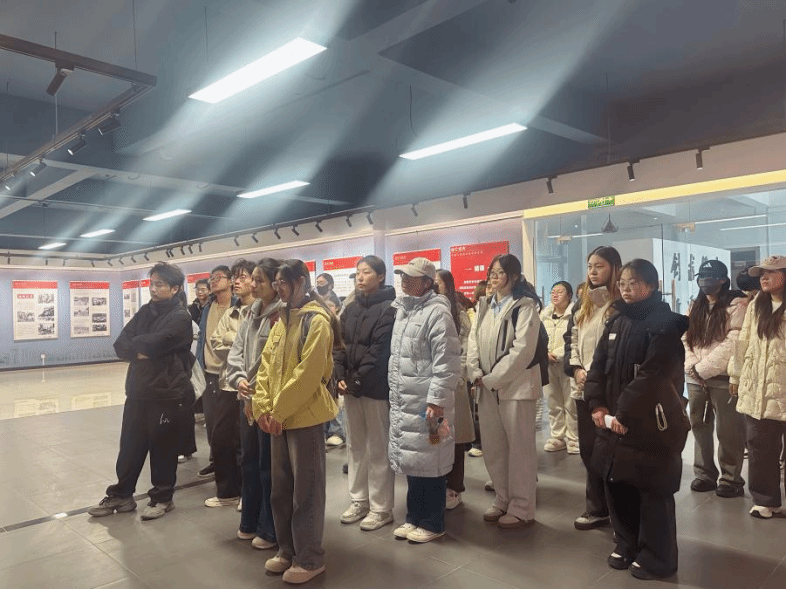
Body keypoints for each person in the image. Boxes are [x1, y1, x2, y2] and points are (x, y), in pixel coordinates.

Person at [585, 258, 689, 580]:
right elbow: (597, 366)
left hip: (649, 421)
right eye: (623, 283)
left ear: (652, 286)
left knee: (652, 490)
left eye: (634, 283)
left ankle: (658, 557)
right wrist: (597, 405)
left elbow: (653, 375)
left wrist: (623, 412)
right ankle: (626, 543)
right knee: (617, 482)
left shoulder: (665, 324)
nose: (626, 289)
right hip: (614, 422)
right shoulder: (616, 320)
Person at [252, 259, 342, 584]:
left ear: (301, 282)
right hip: (278, 418)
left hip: (304, 417)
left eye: (283, 282)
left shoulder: (317, 321)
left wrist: (277, 411)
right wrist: (262, 407)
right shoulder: (282, 319)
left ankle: (310, 558)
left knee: (307, 492)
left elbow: (308, 375)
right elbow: (266, 366)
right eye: (275, 282)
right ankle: (287, 550)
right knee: (281, 490)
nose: (278, 288)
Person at [88, 263, 193, 521]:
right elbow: (121, 344)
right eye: (151, 283)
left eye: (159, 284)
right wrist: (142, 350)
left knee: (163, 448)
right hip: (137, 391)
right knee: (130, 446)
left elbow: (158, 342)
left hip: (166, 393)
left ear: (175, 288)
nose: (153, 289)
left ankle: (163, 497)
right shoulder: (146, 311)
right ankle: (122, 494)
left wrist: (143, 346)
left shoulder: (181, 318)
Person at [467, 254, 543, 529]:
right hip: (486, 387)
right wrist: (475, 371)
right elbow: (473, 341)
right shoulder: (484, 305)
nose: (494, 277)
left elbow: (523, 350)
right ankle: (502, 498)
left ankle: (522, 507)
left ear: (514, 277)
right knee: (494, 446)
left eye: (500, 273)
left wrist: (494, 378)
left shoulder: (525, 306)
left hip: (516, 387)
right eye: (492, 272)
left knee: (520, 450)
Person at [387, 257, 460, 543]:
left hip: (430, 404)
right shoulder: (403, 311)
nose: (404, 281)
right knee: (413, 460)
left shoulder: (438, 313)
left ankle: (432, 522)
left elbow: (447, 361)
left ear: (428, 283)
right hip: (406, 400)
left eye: (411, 277)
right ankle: (413, 517)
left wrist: (436, 400)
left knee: (432, 459)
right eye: (403, 276)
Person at [334, 255, 397, 531]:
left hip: (375, 387)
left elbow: (380, 351)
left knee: (379, 447)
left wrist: (356, 380)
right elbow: (339, 344)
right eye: (358, 272)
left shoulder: (390, 308)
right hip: (350, 387)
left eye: (367, 272)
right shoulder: (350, 307)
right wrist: (339, 375)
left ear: (380, 277)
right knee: (356, 445)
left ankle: (381, 508)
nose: (360, 277)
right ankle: (359, 499)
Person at [564, 246, 622, 530]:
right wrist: (576, 369)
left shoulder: (619, 304)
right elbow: (571, 339)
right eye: (590, 266)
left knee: (610, 452)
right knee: (588, 450)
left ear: (614, 268)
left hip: (610, 390)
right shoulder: (582, 304)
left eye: (599, 266)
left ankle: (618, 512)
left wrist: (597, 375)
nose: (593, 272)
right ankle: (597, 508)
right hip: (583, 387)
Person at [226, 258, 283, 550]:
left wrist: (255, 388)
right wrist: (238, 379)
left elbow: (272, 361)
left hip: (268, 402)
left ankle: (270, 528)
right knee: (249, 461)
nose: (253, 284)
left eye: (259, 280)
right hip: (247, 398)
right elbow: (236, 351)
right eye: (254, 279)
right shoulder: (250, 312)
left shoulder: (282, 314)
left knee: (268, 466)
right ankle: (249, 521)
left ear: (275, 283)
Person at [683, 260, 748, 498]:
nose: (704, 282)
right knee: (699, 427)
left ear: (722, 280)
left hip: (723, 377)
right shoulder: (696, 305)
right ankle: (704, 474)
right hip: (695, 378)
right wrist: (693, 367)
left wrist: (704, 369)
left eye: (709, 277)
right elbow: (686, 337)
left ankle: (731, 479)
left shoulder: (737, 304)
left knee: (729, 430)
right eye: (701, 277)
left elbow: (734, 342)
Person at [729, 255, 786, 519]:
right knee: (760, 448)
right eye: (761, 273)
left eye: (770, 272)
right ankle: (765, 500)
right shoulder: (756, 306)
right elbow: (743, 342)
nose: (764, 277)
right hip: (758, 390)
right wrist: (735, 376)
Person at [204, 259, 256, 508]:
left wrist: (232, 340)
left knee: (247, 444)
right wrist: (239, 344)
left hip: (251, 385)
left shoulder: (261, 312)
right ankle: (227, 492)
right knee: (221, 438)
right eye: (235, 277)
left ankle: (248, 493)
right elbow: (217, 343)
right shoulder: (230, 313)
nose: (237, 281)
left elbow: (256, 349)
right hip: (227, 383)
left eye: (243, 277)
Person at [435, 269, 475, 510]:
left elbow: (466, 347)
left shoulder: (457, 312)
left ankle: (455, 486)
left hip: (454, 384)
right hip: (432, 386)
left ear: (447, 286)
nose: (433, 288)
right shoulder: (427, 310)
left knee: (455, 438)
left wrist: (459, 375)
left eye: (437, 284)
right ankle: (436, 483)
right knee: (435, 436)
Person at [195, 265, 237, 478]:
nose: (213, 281)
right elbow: (202, 338)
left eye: (218, 277)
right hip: (208, 372)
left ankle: (232, 464)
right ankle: (215, 460)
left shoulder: (238, 306)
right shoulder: (208, 307)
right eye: (211, 278)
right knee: (211, 421)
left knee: (229, 424)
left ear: (230, 281)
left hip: (231, 373)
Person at [541, 281, 576, 453]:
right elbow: (538, 337)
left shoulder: (574, 314)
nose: (555, 295)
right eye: (553, 292)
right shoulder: (544, 314)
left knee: (571, 402)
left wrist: (559, 354)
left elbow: (574, 337)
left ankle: (574, 438)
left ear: (569, 296)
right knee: (553, 402)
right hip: (548, 363)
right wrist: (545, 353)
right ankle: (557, 436)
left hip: (567, 363)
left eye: (559, 292)